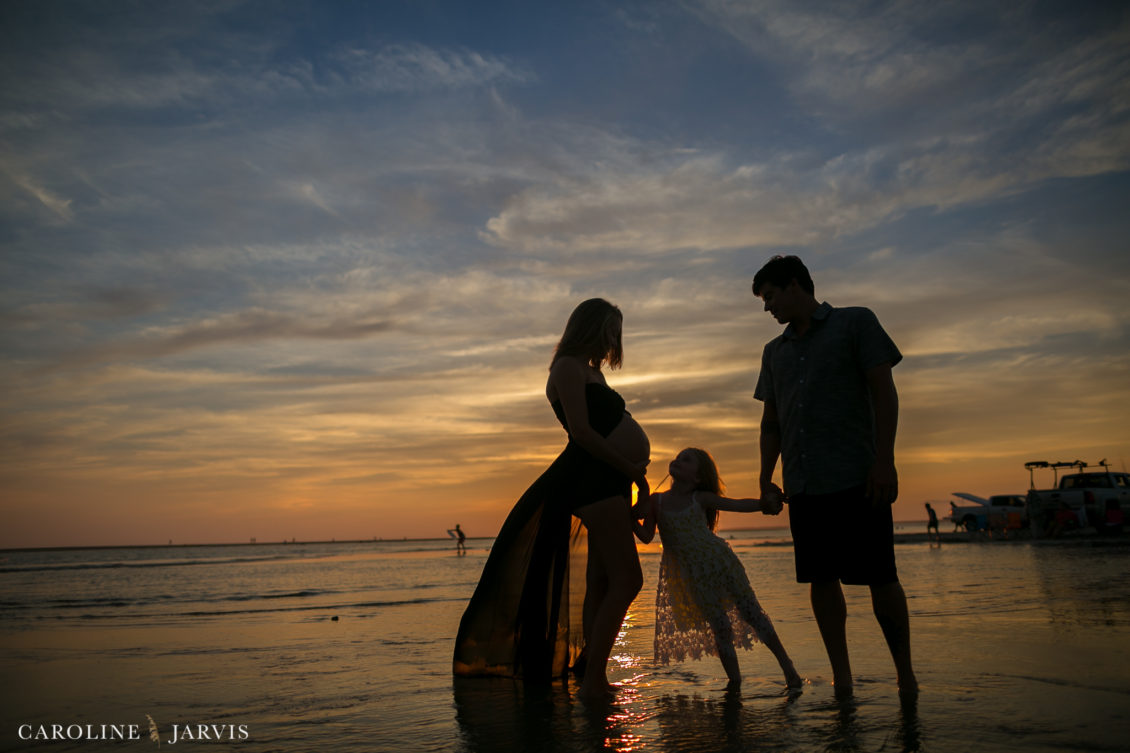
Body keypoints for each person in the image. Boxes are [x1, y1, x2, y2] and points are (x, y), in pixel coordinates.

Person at [453, 298, 650, 700]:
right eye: (611, 331)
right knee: (629, 579)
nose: (614, 340)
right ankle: (594, 680)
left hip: (609, 481)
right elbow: (581, 433)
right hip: (593, 479)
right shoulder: (566, 367)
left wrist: (630, 475)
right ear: (591, 328)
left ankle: (591, 671)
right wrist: (631, 471)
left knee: (601, 580)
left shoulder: (592, 371)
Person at [752, 255, 918, 696]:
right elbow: (772, 422)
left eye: (770, 297)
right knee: (820, 581)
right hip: (804, 484)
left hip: (859, 476)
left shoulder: (855, 323)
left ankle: (905, 676)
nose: (767, 308)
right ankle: (842, 679)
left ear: (793, 285)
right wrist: (767, 477)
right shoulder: (774, 352)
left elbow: (885, 392)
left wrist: (885, 460)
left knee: (881, 575)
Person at [634, 448, 803, 691]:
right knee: (720, 627)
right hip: (694, 576)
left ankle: (788, 668)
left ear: (697, 478)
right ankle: (735, 682)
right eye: (678, 457)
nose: (678, 460)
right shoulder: (656, 501)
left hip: (720, 563)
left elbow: (734, 504)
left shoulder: (700, 498)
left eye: (686, 459)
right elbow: (647, 536)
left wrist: (763, 505)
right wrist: (629, 517)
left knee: (752, 612)